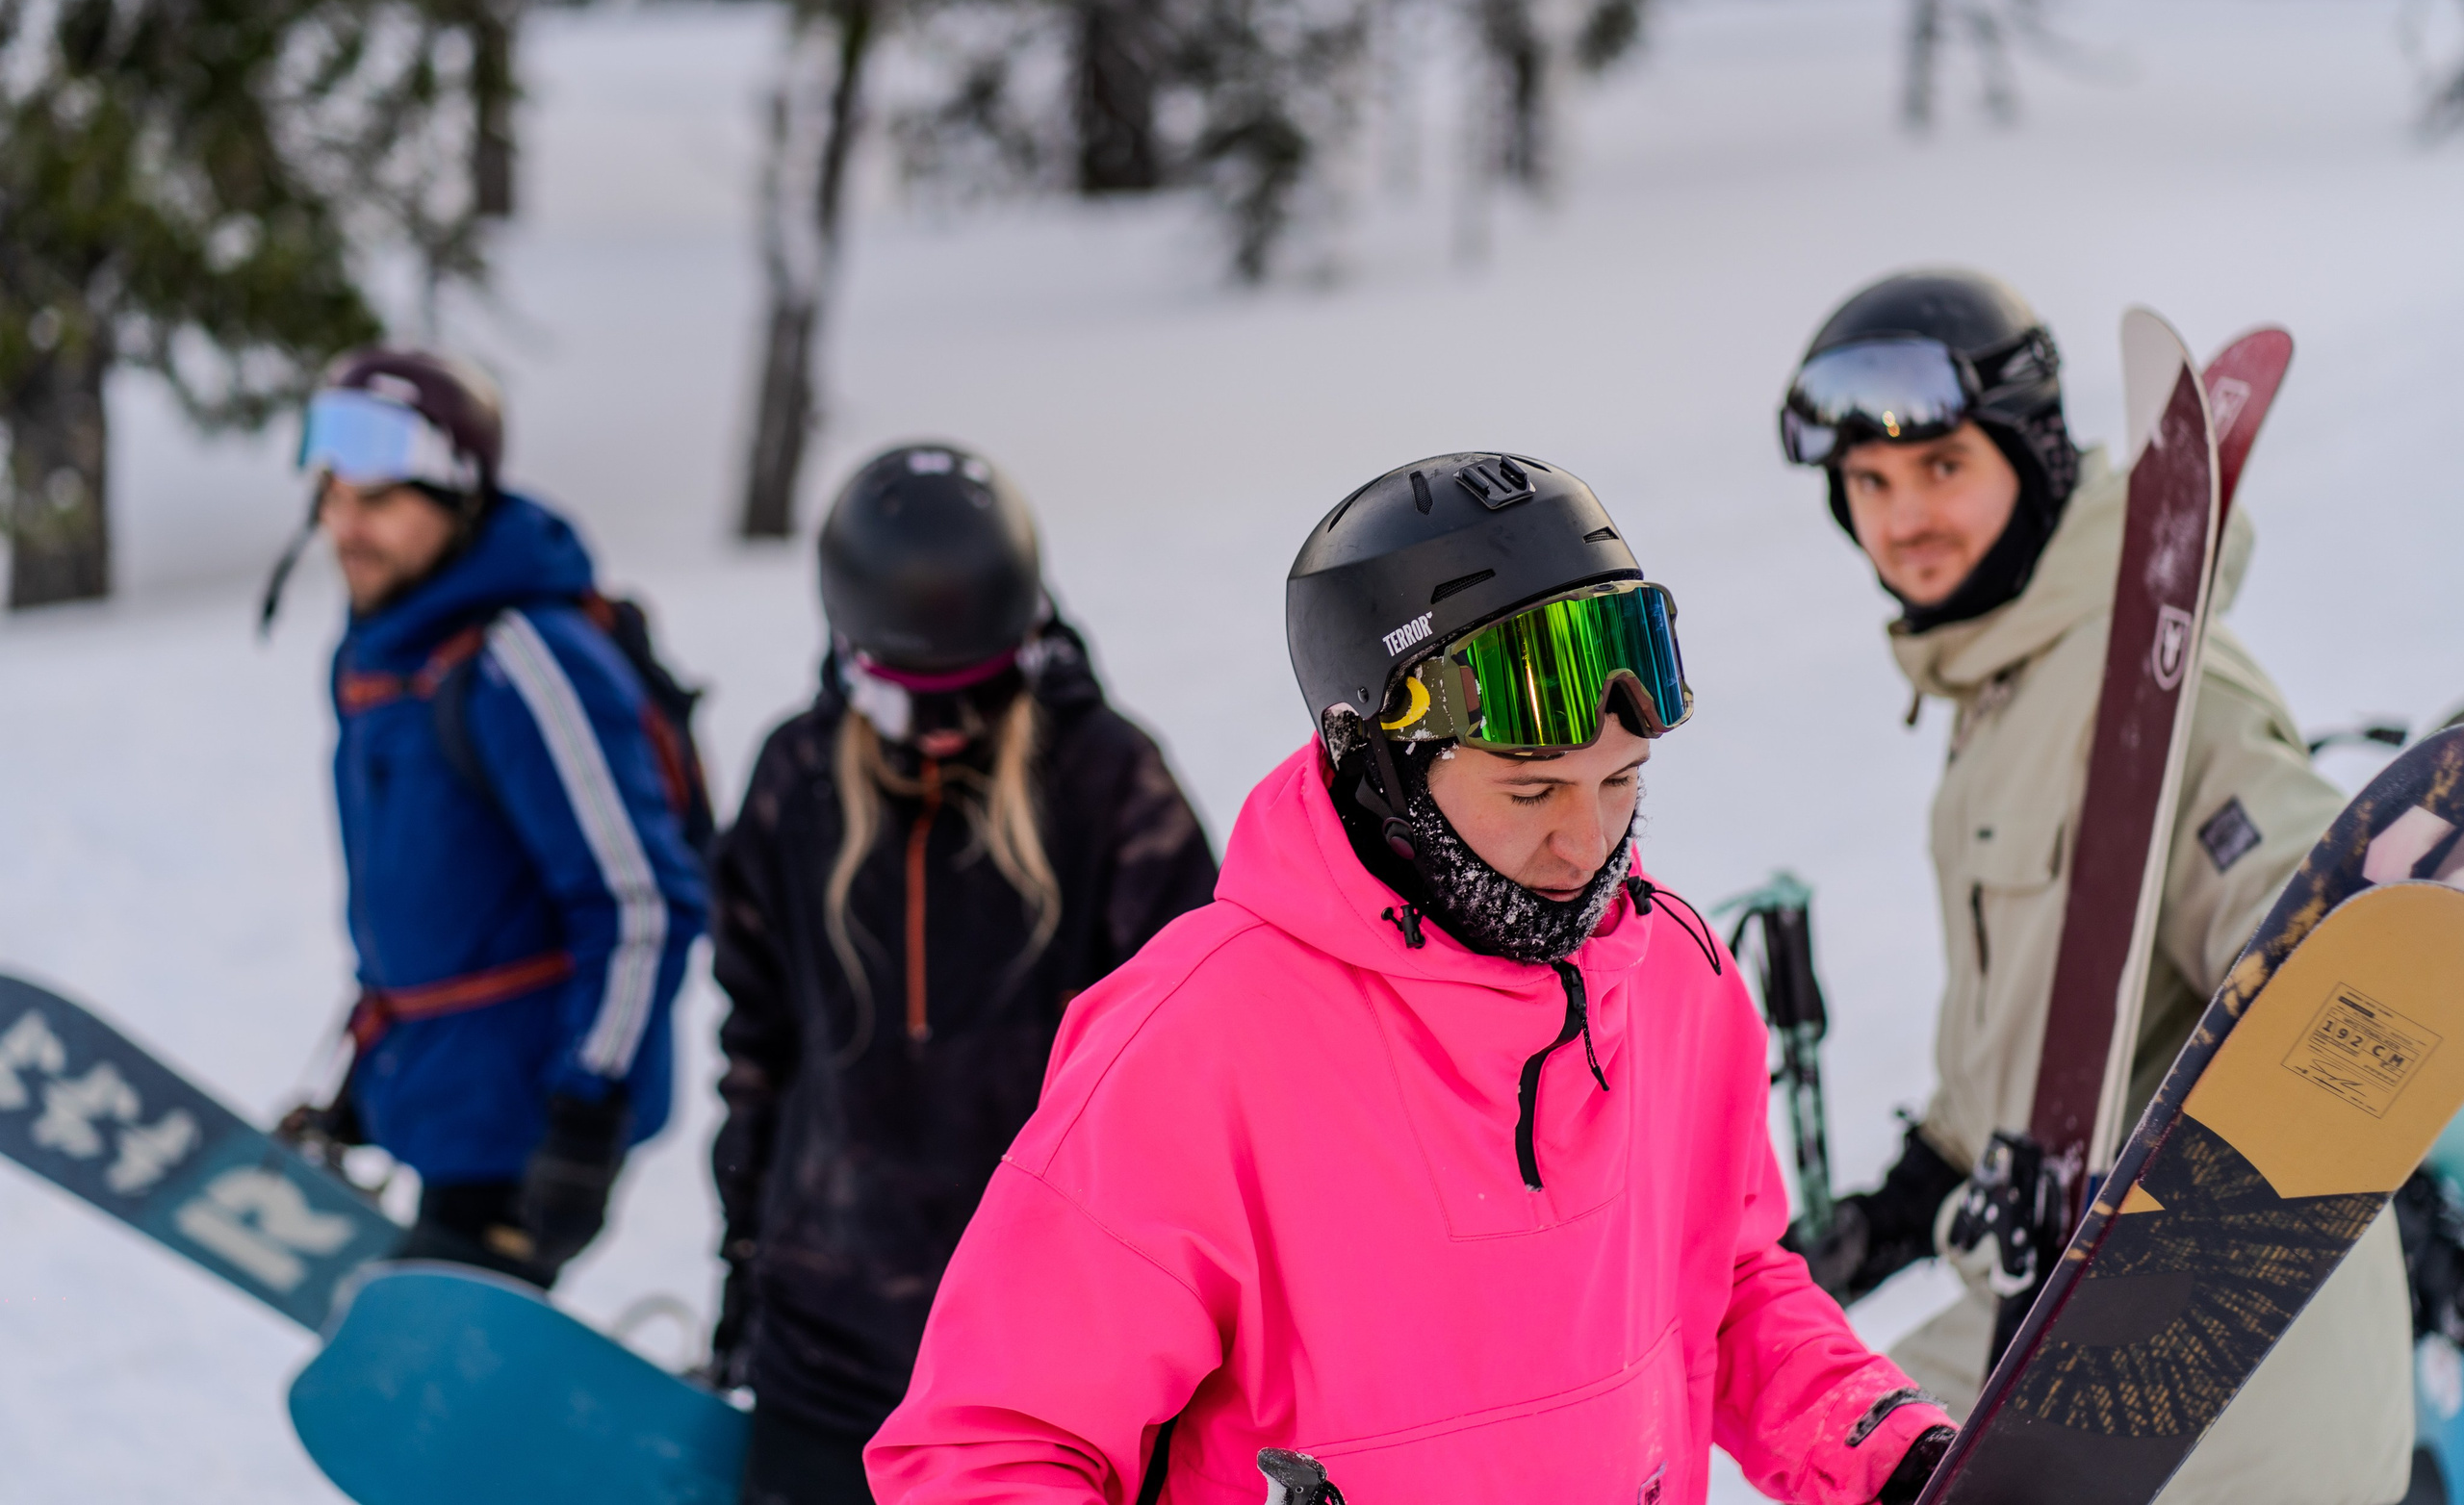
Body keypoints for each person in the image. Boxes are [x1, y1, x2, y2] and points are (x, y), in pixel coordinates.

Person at [866, 451, 1960, 1505]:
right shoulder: (1197, 1043)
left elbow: (1727, 1295)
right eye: (1529, 793)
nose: (1587, 844)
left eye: (1621, 780)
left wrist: (1893, 1452)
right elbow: (988, 1451)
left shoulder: (1675, 978)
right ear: (1379, 762)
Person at [1777, 269, 2413, 1504]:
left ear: (2032, 458)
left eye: (1941, 467)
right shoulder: (2002, 689)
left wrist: (2335, 950)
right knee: (1812, 1444)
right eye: (1869, 482)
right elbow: (2034, 1036)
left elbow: (2301, 909)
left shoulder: (2159, 688)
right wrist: (1904, 1204)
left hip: (2224, 1391)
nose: (1905, 517)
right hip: (2043, 1319)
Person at [706, 444, 1219, 1505]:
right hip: (825, 1341)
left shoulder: (1109, 782)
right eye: (909, 704)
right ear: (851, 659)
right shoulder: (796, 778)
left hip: (1039, 1364)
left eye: (974, 695)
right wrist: (743, 1262)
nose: (942, 734)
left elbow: (1196, 1073)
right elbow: (758, 1048)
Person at [280, 346, 707, 1288]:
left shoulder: (525, 660)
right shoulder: (387, 653)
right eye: (332, 497)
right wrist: (369, 1072)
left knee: (425, 1366)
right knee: (411, 1356)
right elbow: (442, 903)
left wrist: (587, 1117)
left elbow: (641, 902)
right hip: (448, 1099)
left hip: (533, 1124)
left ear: (458, 498)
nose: (345, 528)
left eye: (377, 502)